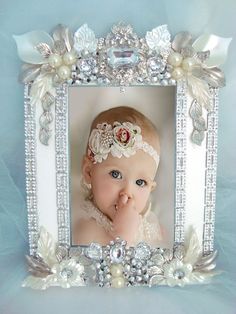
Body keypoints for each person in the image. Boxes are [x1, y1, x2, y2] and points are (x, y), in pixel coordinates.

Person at [73, 106, 163, 247]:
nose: (127, 192)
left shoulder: (149, 221)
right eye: (116, 174)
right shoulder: (85, 225)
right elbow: (106, 265)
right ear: (89, 172)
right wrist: (121, 235)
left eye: (140, 182)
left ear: (151, 188)